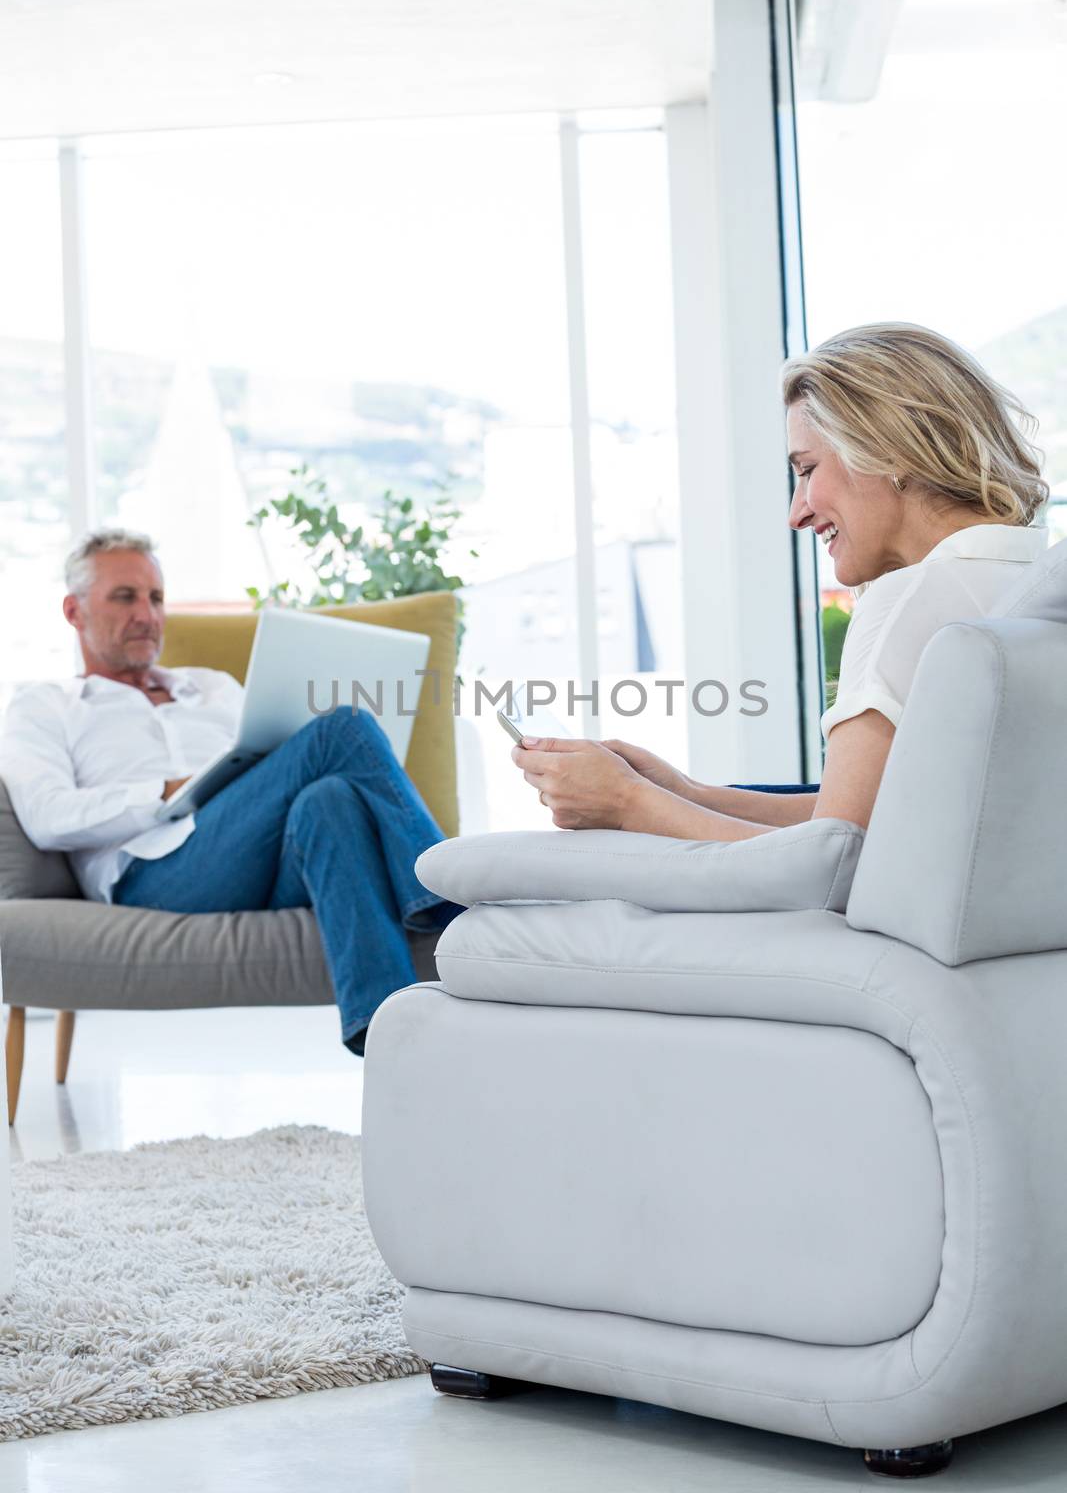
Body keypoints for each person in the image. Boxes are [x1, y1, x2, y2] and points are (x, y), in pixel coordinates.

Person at [512, 322, 1050, 836]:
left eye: (808, 470)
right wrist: (683, 793)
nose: (797, 514)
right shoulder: (1028, 583)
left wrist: (626, 803)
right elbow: (862, 820)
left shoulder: (907, 602)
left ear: (888, 452)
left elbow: (827, 863)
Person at [0, 530, 463, 1054]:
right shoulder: (46, 706)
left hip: (260, 855)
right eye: (125, 597)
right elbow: (46, 815)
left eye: (155, 598)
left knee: (326, 800)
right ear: (74, 610)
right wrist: (165, 792)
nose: (147, 615)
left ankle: (392, 1043)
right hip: (155, 873)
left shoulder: (212, 687)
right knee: (343, 727)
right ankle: (453, 903)